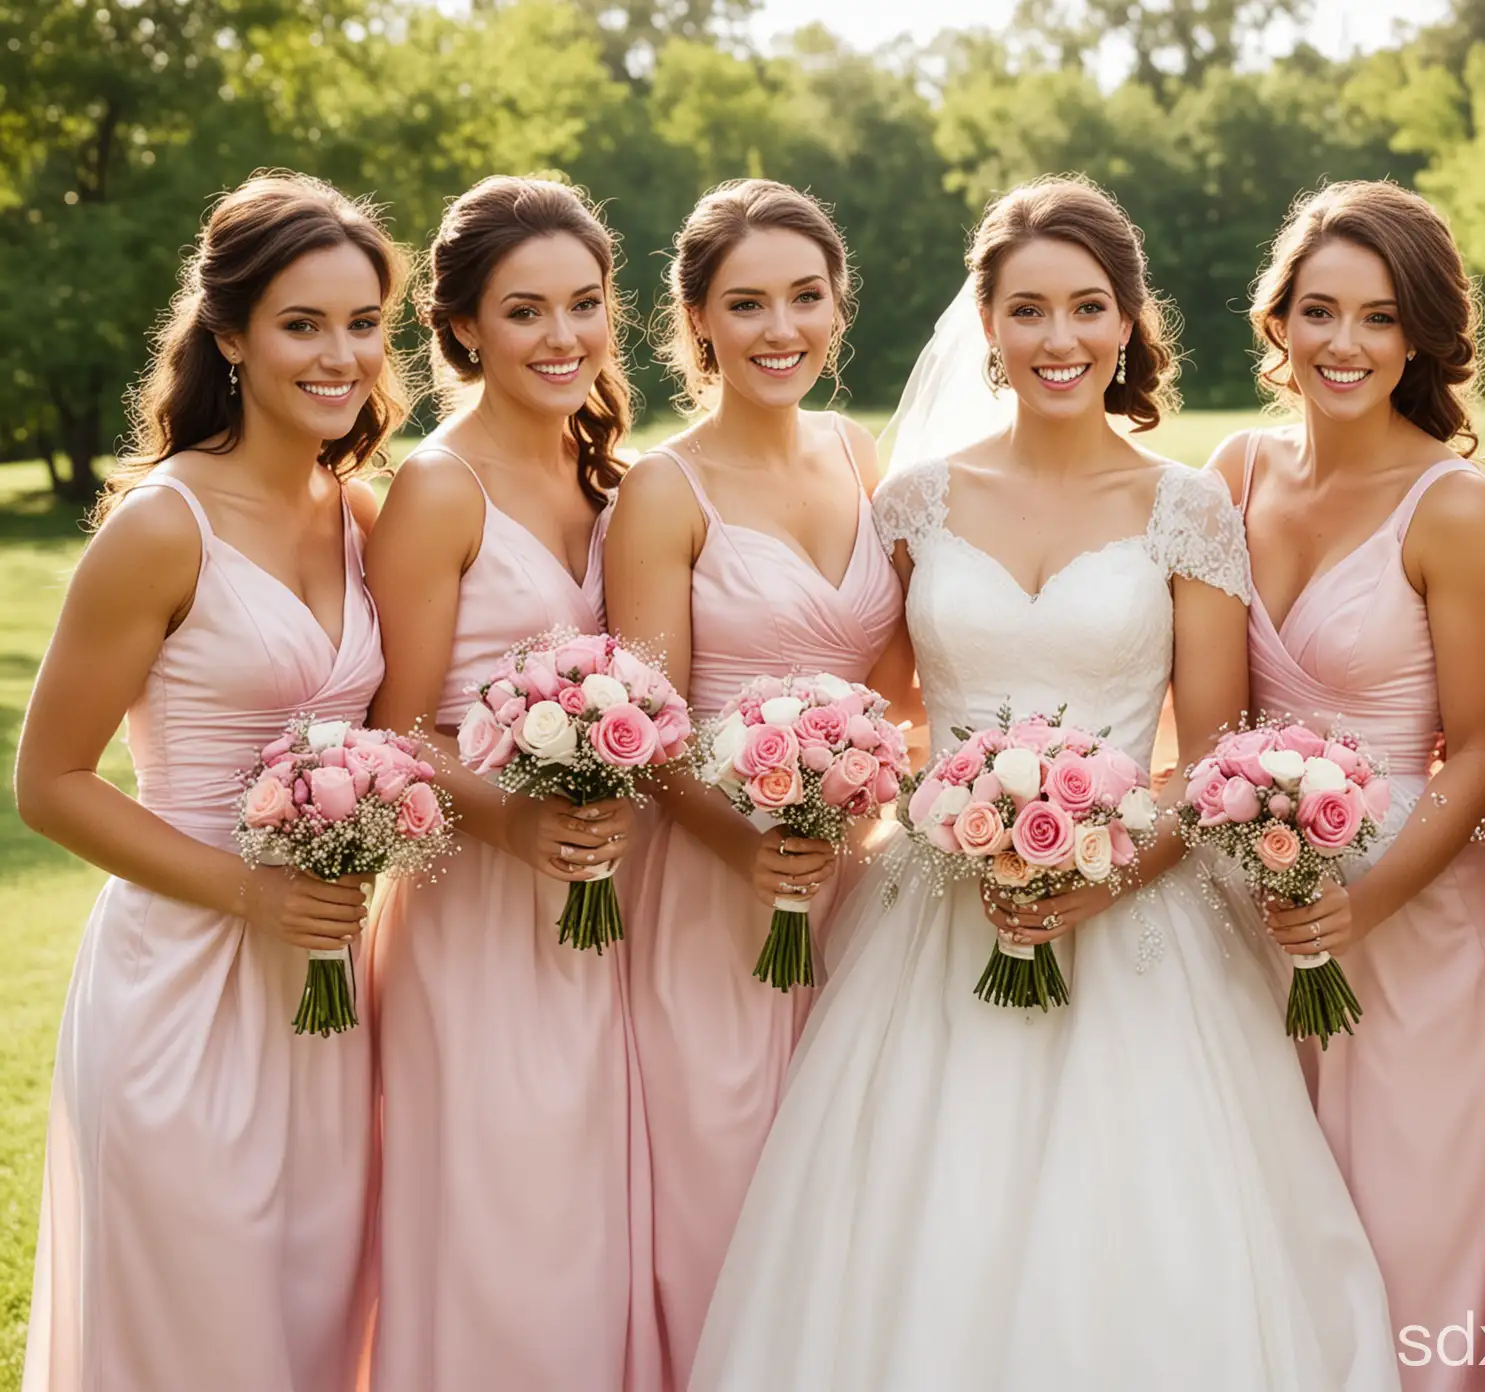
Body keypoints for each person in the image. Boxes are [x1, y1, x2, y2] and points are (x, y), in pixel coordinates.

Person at [689, 175, 1398, 1391]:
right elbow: (895, 714)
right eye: (1027, 310)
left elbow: (1215, 753)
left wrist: (1103, 866)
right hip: (936, 914)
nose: (1057, 340)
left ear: (1127, 323)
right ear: (990, 323)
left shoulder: (1188, 508)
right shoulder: (912, 503)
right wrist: (930, 814)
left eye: (1085, 309)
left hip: (1139, 921)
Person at [16, 172, 407, 1392]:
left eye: (362, 324)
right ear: (230, 335)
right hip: (180, 983)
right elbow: (51, 781)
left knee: (313, 1327)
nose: (339, 355)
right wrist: (248, 894)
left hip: (329, 990)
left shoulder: (364, 514)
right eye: (303, 325)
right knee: (197, 1332)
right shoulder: (160, 526)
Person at [1210, 180, 1485, 1387]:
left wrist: (1364, 902)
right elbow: (1211, 715)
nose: (1342, 345)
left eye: (1375, 318)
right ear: (1280, 321)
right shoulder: (1236, 473)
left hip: (1417, 922)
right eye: (1318, 311)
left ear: (1418, 335)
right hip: (1259, 905)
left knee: (1413, 1242)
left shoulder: (1454, 508)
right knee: (1275, 1240)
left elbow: (1483, 751)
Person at [603, 177, 906, 1387]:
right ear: (698, 323)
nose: (781, 328)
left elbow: (895, 676)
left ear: (838, 306)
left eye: (805, 297)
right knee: (723, 1182)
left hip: (857, 887)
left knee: (845, 1185)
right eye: (747, 303)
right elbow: (650, 726)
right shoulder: (662, 490)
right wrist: (747, 846)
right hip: (713, 888)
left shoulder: (855, 449)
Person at [362, 174, 656, 1390]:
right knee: (504, 1236)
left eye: (584, 304)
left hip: (606, 918)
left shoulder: (616, 479)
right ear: (465, 327)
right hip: (479, 918)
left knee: (594, 1229)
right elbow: (393, 735)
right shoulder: (440, 489)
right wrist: (521, 819)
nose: (563, 337)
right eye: (525, 312)